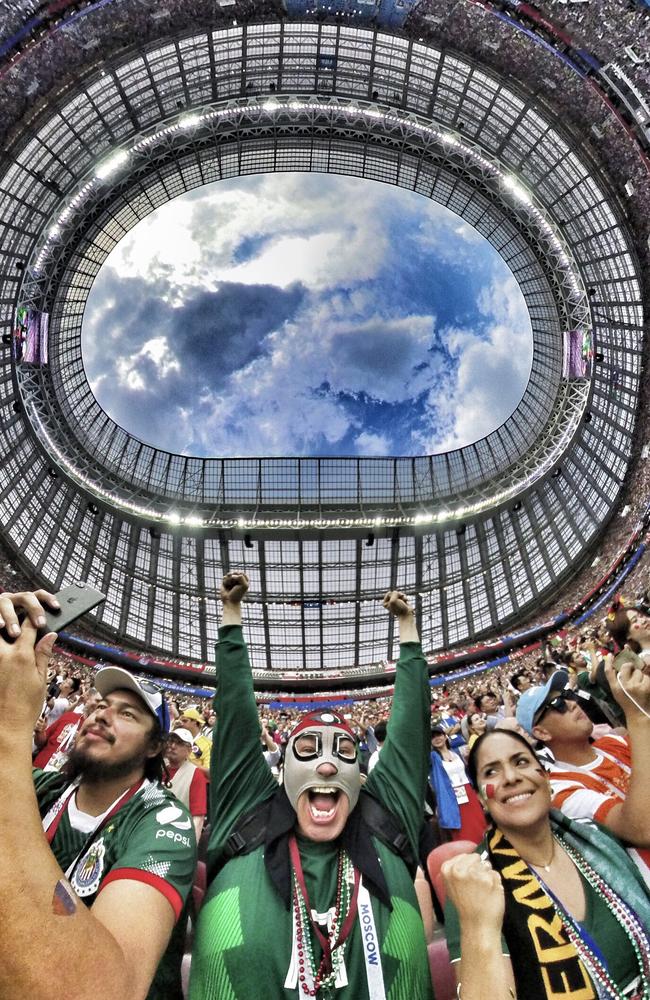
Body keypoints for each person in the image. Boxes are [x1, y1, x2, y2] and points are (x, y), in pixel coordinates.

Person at [190, 572, 434, 999]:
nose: (325, 765)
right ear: (281, 773)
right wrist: (231, 617)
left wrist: (409, 631)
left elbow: (411, 724)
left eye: (342, 750)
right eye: (307, 748)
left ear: (360, 776)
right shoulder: (244, 809)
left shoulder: (387, 814)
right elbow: (235, 711)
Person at [0, 590, 197, 1000]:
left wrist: (9, 730)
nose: (103, 713)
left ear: (154, 747)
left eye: (127, 714)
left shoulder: (163, 821)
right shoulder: (41, 787)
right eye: (102, 704)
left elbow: (105, 991)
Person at [442, 729, 650, 999]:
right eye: (491, 772)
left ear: (546, 776)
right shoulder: (476, 883)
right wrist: (477, 925)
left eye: (521, 762)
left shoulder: (599, 841)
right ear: (482, 797)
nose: (512, 777)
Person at [516, 662, 650, 882]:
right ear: (541, 732)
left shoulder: (613, 742)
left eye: (567, 694)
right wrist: (637, 715)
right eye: (557, 704)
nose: (571, 704)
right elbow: (643, 829)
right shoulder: (560, 791)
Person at [430, 727, 486, 843]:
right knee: (462, 828)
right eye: (433, 737)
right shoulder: (433, 758)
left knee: (478, 821)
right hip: (451, 797)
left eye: (439, 735)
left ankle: (486, 845)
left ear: (445, 736)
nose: (437, 739)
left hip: (468, 792)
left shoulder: (455, 753)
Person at [33, 686, 103, 771]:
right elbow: (41, 743)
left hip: (60, 782)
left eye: (103, 705)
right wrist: (39, 732)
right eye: (97, 701)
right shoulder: (69, 716)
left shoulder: (98, 735)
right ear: (88, 700)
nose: (98, 706)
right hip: (35, 772)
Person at [164, 727, 209, 840]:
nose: (173, 746)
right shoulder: (158, 768)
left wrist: (191, 849)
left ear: (189, 750)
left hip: (176, 837)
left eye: (179, 743)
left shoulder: (195, 774)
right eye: (171, 741)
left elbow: (198, 817)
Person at [174, 708, 212, 772]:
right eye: (180, 721)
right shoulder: (176, 739)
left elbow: (209, 772)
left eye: (185, 721)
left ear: (194, 722)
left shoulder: (207, 744)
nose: (181, 724)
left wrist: (186, 762)